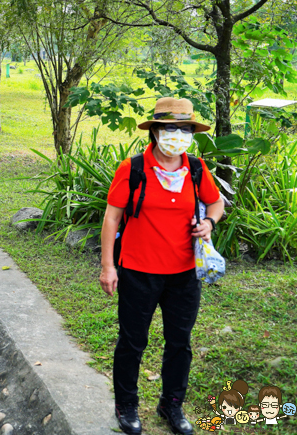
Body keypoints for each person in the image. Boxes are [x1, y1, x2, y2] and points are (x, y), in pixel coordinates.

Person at [99, 97, 224, 435]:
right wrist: (108, 266)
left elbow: (216, 203)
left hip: (184, 273)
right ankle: (126, 406)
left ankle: (172, 404)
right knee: (132, 342)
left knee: (180, 342)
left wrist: (210, 223)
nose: (177, 135)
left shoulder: (196, 168)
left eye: (183, 128)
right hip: (138, 271)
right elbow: (111, 219)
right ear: (154, 131)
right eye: (170, 128)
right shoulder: (133, 168)